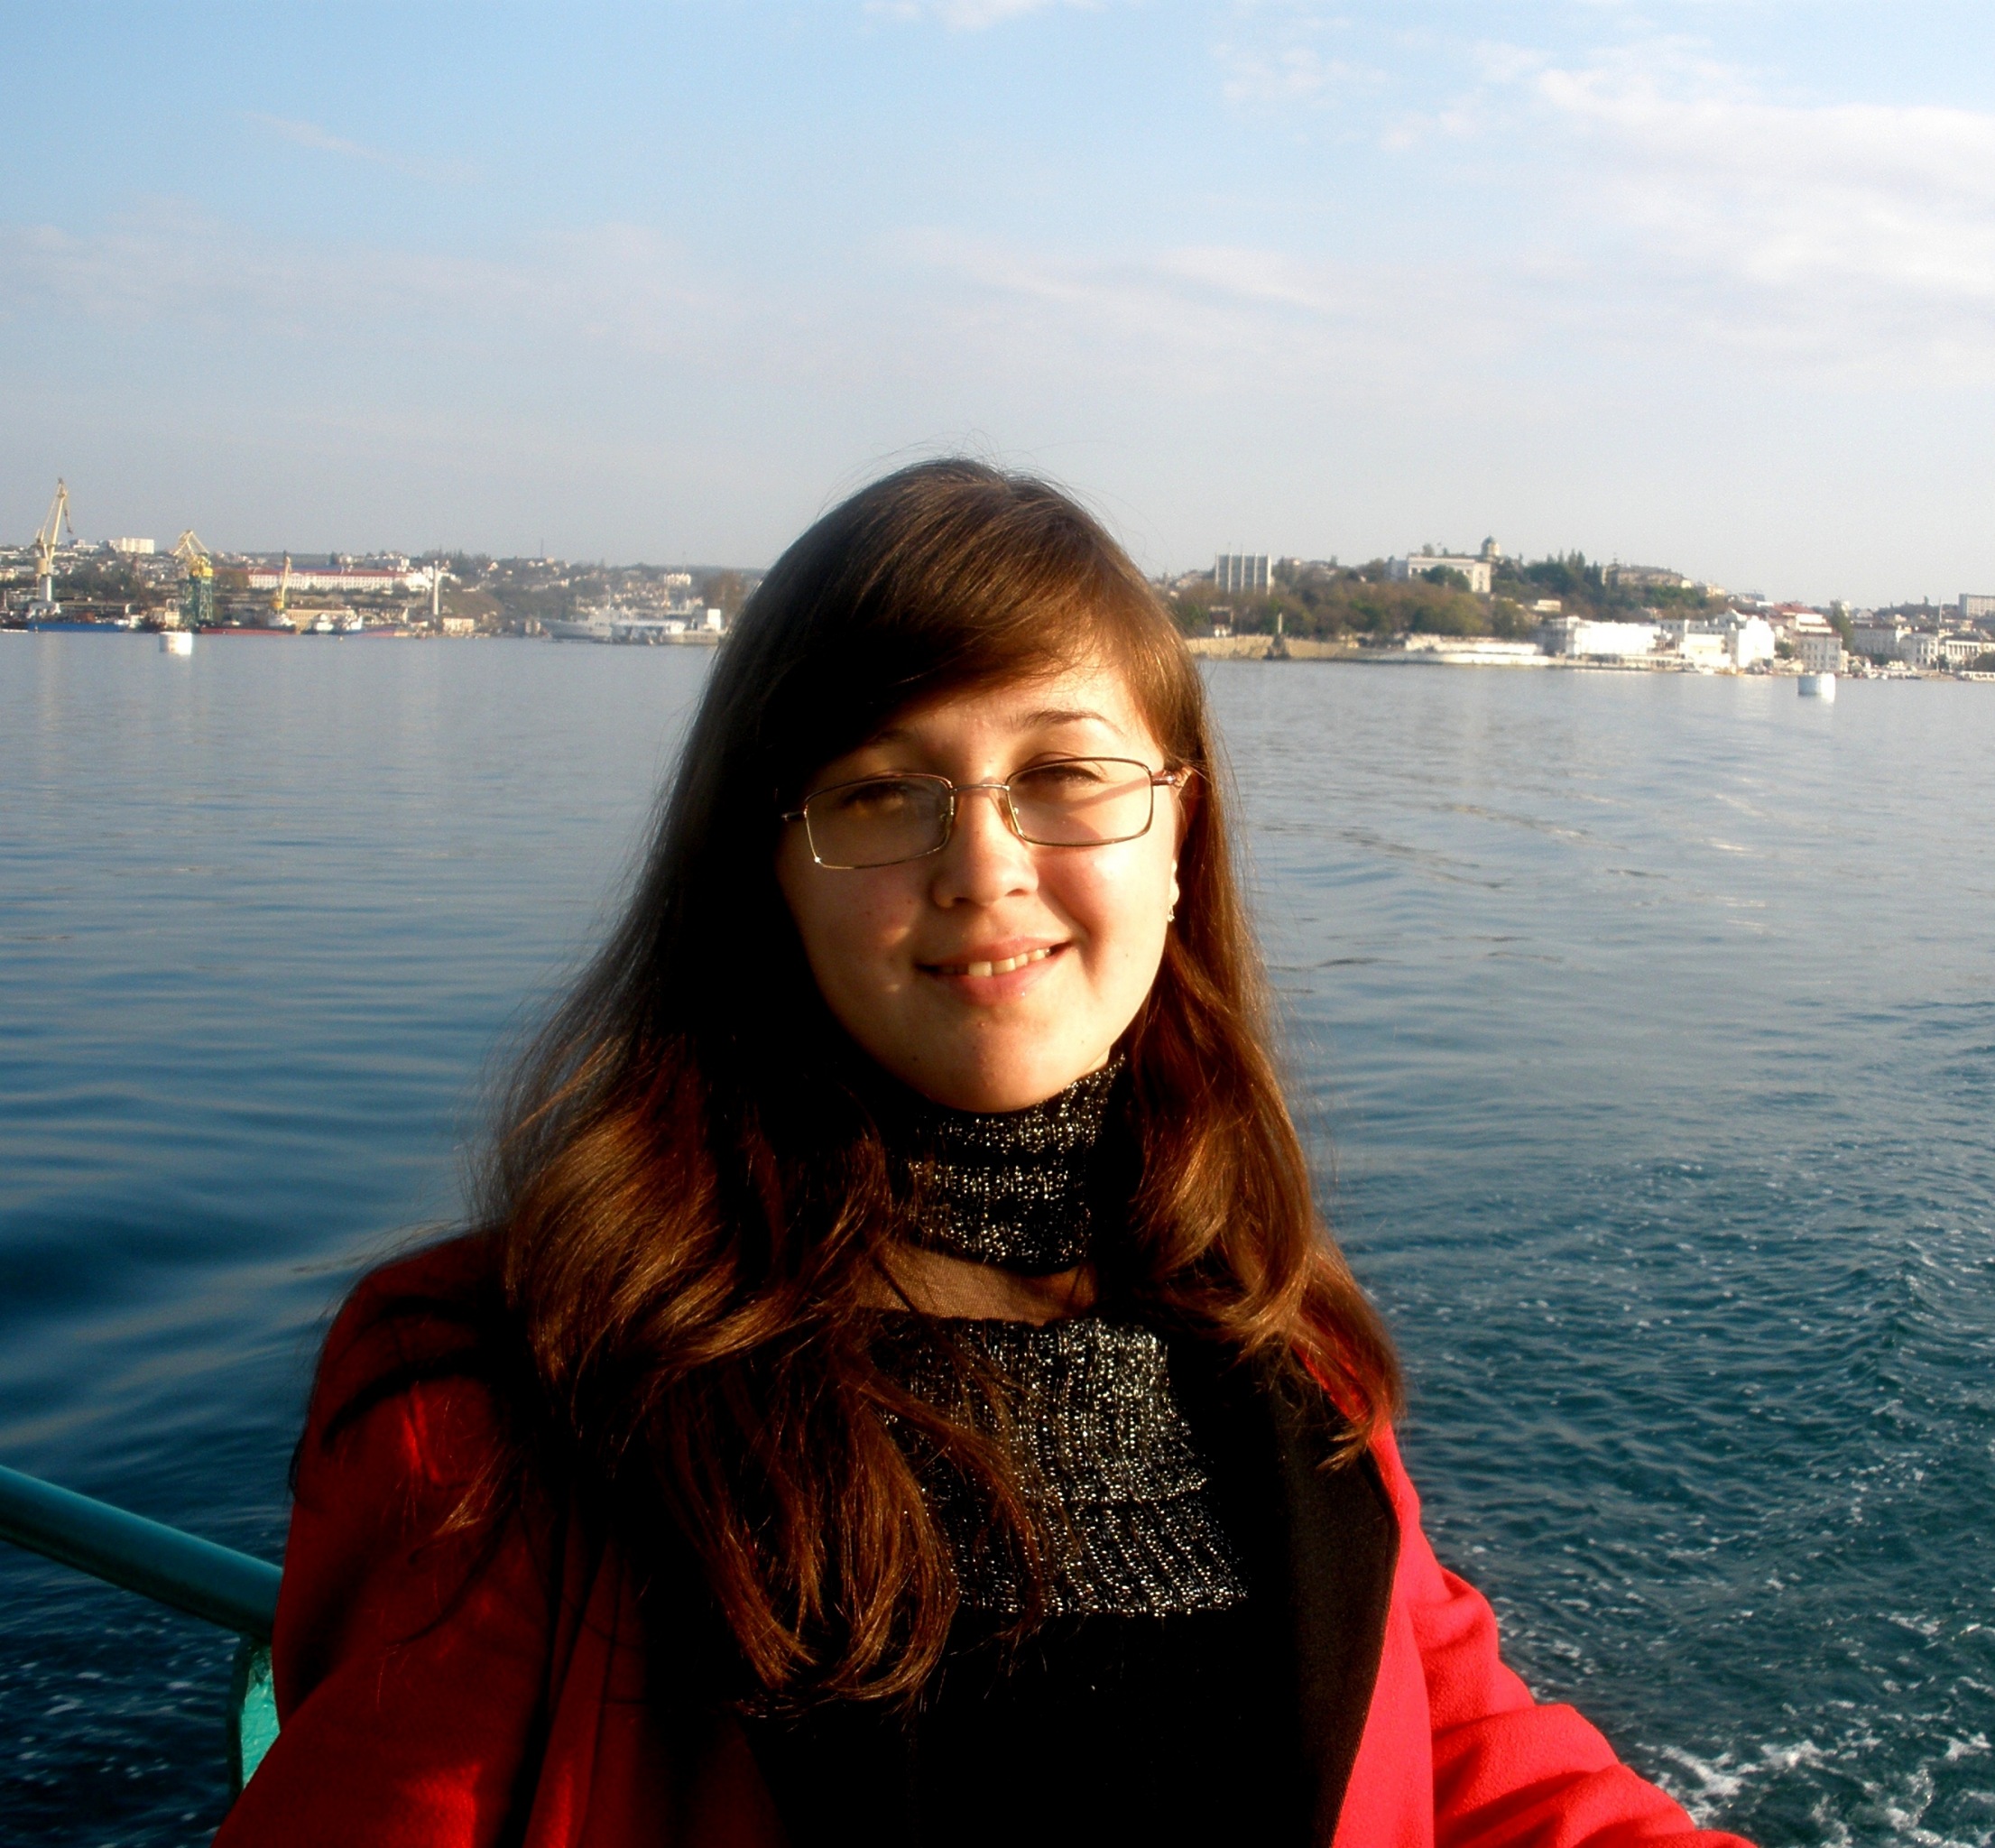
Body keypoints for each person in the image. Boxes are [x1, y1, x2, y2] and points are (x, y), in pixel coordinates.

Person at [216, 461, 1752, 1847]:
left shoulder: (1286, 1350)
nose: (984, 866)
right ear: (770, 871)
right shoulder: (511, 1404)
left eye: (1065, 778)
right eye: (884, 794)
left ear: (1180, 838)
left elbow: (1467, 1755)